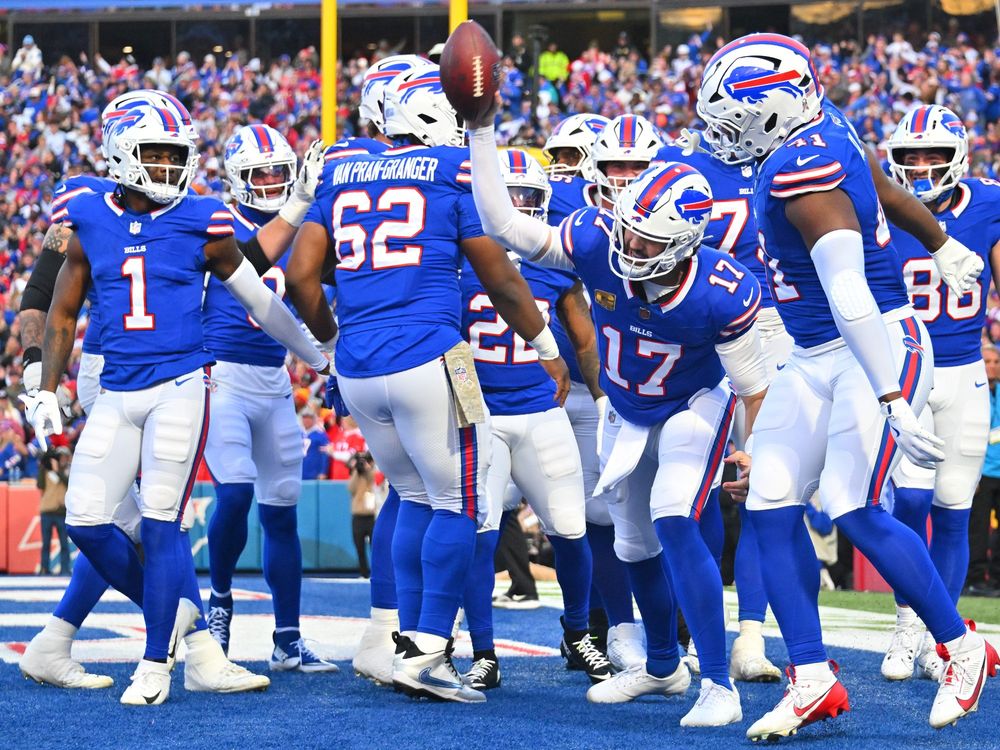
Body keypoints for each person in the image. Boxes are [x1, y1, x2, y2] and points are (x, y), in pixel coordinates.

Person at [697, 32, 997, 739]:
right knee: (770, 501)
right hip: (813, 351)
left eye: (733, 117)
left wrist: (892, 396)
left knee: (851, 505)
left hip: (874, 343)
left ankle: (962, 651)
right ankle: (812, 678)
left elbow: (850, 293)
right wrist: (943, 242)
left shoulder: (804, 174)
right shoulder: (821, 124)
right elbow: (882, 182)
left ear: (769, 111)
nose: (721, 133)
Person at [470, 102, 770, 725]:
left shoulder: (723, 288)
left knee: (675, 518)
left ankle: (718, 683)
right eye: (627, 228)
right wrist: (480, 130)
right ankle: (663, 667)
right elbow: (504, 225)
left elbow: (750, 386)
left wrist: (756, 451)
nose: (629, 245)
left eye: (648, 239)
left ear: (686, 240)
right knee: (632, 546)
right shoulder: (596, 237)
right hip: (627, 410)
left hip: (693, 404)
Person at [22, 103, 329, 706]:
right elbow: (44, 298)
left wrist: (319, 350)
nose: (166, 165)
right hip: (108, 375)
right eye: (153, 152)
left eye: (173, 152)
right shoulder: (82, 207)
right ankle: (193, 634)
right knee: (117, 521)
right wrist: (39, 379)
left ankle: (107, 645)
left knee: (151, 523)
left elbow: (249, 271)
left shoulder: (197, 216)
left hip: (177, 379)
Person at [287, 64, 568, 704]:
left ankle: (403, 642)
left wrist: (333, 342)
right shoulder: (451, 173)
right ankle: (430, 651)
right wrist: (546, 347)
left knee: (412, 494)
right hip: (430, 358)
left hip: (359, 370)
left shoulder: (342, 172)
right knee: (462, 503)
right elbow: (501, 280)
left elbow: (302, 276)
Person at [459, 148, 613, 691]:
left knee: (571, 531)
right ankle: (482, 650)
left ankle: (577, 633)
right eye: (512, 198)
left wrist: (602, 400)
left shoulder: (553, 263)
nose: (521, 209)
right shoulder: (459, 258)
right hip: (483, 417)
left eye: (530, 199)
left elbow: (585, 338)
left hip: (542, 413)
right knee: (480, 537)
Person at [202, 124, 337, 672]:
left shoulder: (305, 228)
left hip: (274, 378)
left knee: (282, 513)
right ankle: (220, 602)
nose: (274, 182)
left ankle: (286, 638)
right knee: (233, 495)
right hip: (222, 377)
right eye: (262, 174)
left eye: (281, 173)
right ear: (237, 179)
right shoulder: (218, 223)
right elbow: (249, 275)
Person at [653, 132, 785, 683]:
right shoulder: (676, 160)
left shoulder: (793, 158)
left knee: (765, 489)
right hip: (694, 327)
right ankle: (688, 634)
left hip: (772, 325)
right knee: (693, 493)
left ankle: (749, 635)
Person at [881, 104, 1000, 680]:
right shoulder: (872, 208)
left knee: (955, 508)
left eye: (933, 156)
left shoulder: (988, 203)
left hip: (965, 372)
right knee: (909, 503)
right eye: (911, 156)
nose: (922, 166)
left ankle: (940, 636)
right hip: (906, 372)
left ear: (958, 158)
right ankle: (908, 623)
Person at [967, 344, 1000, 596]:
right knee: (977, 528)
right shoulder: (972, 393)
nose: (992, 366)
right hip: (981, 473)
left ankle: (997, 580)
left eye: (996, 362)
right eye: (987, 361)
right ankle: (976, 580)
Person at [37, 447, 71, 575]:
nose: (61, 459)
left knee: (64, 543)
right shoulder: (46, 471)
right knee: (46, 542)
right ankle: (44, 568)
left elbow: (68, 483)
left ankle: (65, 569)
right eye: (59, 457)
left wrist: (57, 471)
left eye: (64, 457)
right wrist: (42, 466)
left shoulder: (69, 471)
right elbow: (40, 485)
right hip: (47, 511)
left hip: (62, 512)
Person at [349, 451, 378, 578]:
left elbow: (374, 482)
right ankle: (363, 573)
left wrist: (368, 469)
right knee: (359, 547)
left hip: (371, 516)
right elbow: (351, 488)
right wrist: (356, 470)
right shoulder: (356, 475)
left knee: (375, 547)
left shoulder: (372, 473)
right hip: (358, 516)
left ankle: (377, 572)